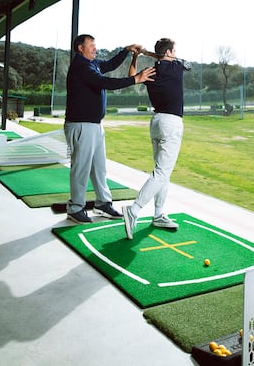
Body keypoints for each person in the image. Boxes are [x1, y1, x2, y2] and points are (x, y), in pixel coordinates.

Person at [65, 34, 156, 224]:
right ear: (80, 48)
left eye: (95, 45)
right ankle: (75, 208)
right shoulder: (81, 66)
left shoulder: (93, 63)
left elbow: (111, 64)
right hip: (81, 124)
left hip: (95, 125)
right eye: (91, 45)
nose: (95, 48)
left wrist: (126, 50)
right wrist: (135, 79)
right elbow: (106, 83)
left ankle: (103, 204)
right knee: (81, 168)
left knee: (99, 168)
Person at [122, 38, 192, 239]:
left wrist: (137, 56)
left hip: (156, 122)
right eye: (174, 51)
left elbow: (131, 77)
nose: (176, 54)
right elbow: (178, 60)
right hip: (171, 123)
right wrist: (146, 52)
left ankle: (159, 214)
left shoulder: (151, 72)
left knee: (163, 173)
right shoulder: (177, 67)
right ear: (169, 52)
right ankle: (134, 210)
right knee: (162, 172)